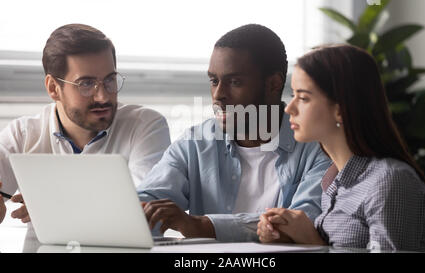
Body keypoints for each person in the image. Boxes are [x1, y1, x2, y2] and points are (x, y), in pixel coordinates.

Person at [137, 24, 331, 242]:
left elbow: (302, 223)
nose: (218, 95)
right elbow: (145, 201)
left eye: (235, 82)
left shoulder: (318, 148)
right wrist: (139, 212)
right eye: (214, 81)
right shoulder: (195, 143)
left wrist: (203, 225)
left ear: (274, 84)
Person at [257, 44, 425, 252]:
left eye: (304, 97)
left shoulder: (390, 182)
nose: (289, 108)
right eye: (293, 96)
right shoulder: (334, 181)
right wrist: (288, 239)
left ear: (340, 110)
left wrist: (312, 242)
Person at [0, 24, 171, 224]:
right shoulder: (23, 134)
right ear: (54, 88)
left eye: (110, 80)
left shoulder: (145, 125)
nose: (103, 96)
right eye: (86, 84)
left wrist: (60, 204)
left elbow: (147, 208)